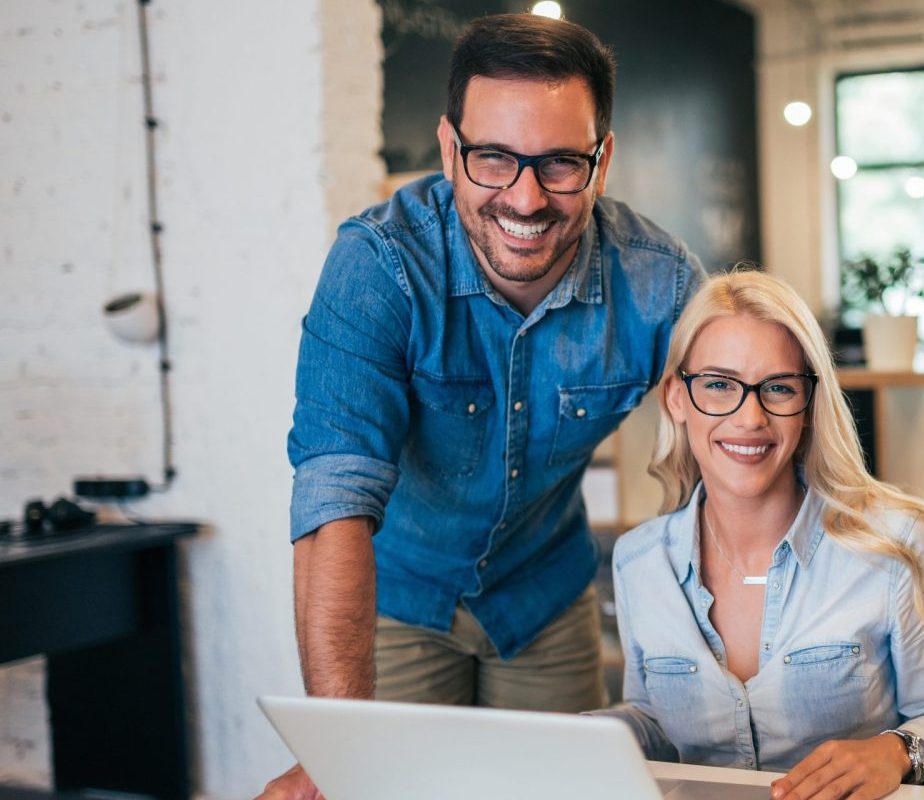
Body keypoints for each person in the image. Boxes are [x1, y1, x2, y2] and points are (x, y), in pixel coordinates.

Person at [261, 14, 703, 799]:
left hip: (545, 596)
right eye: (493, 158)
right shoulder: (379, 267)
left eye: (560, 163)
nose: (525, 199)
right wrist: (339, 752)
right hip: (396, 598)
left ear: (602, 161)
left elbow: (756, 444)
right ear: (449, 149)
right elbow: (334, 503)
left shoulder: (658, 284)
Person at [593, 269, 924, 799]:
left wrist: (896, 751)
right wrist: (578, 735)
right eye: (719, 385)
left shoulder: (893, 543)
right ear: (676, 398)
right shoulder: (638, 561)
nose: (750, 418)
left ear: (808, 405)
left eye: (778, 388)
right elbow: (655, 724)